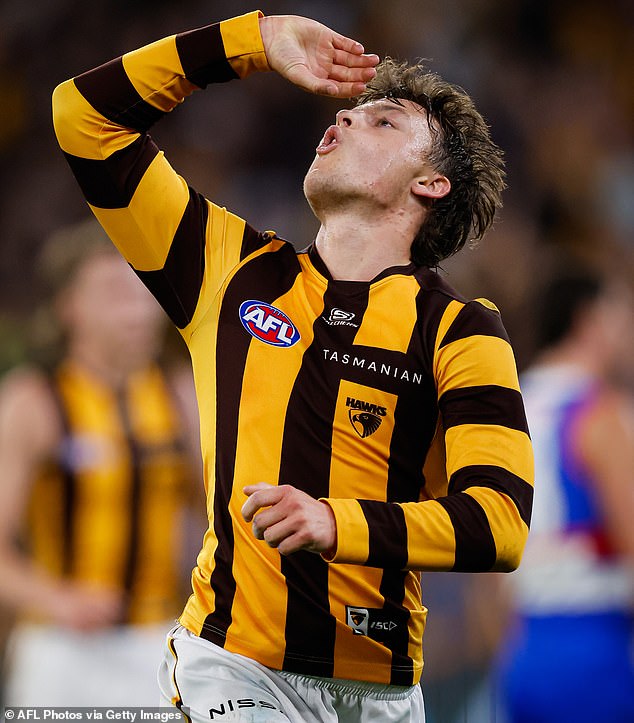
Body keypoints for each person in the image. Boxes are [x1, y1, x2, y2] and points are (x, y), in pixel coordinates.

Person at [52, 11, 534, 722]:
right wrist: (250, 43)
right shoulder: (229, 271)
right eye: (345, 112)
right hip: (231, 664)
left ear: (431, 184)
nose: (340, 122)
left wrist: (335, 522)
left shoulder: (462, 330)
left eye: (383, 122)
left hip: (385, 691)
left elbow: (500, 525)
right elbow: (83, 114)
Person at [0, 219, 201, 706]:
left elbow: (221, 516)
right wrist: (55, 599)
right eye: (114, 292)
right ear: (69, 306)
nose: (135, 310)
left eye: (142, 292)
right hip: (60, 646)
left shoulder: (182, 395)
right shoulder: (34, 400)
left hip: (159, 640)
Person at [495, 267, 634, 723]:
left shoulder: (509, 408)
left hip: (525, 648)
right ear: (587, 320)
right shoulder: (598, 412)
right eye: (619, 314)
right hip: (598, 644)